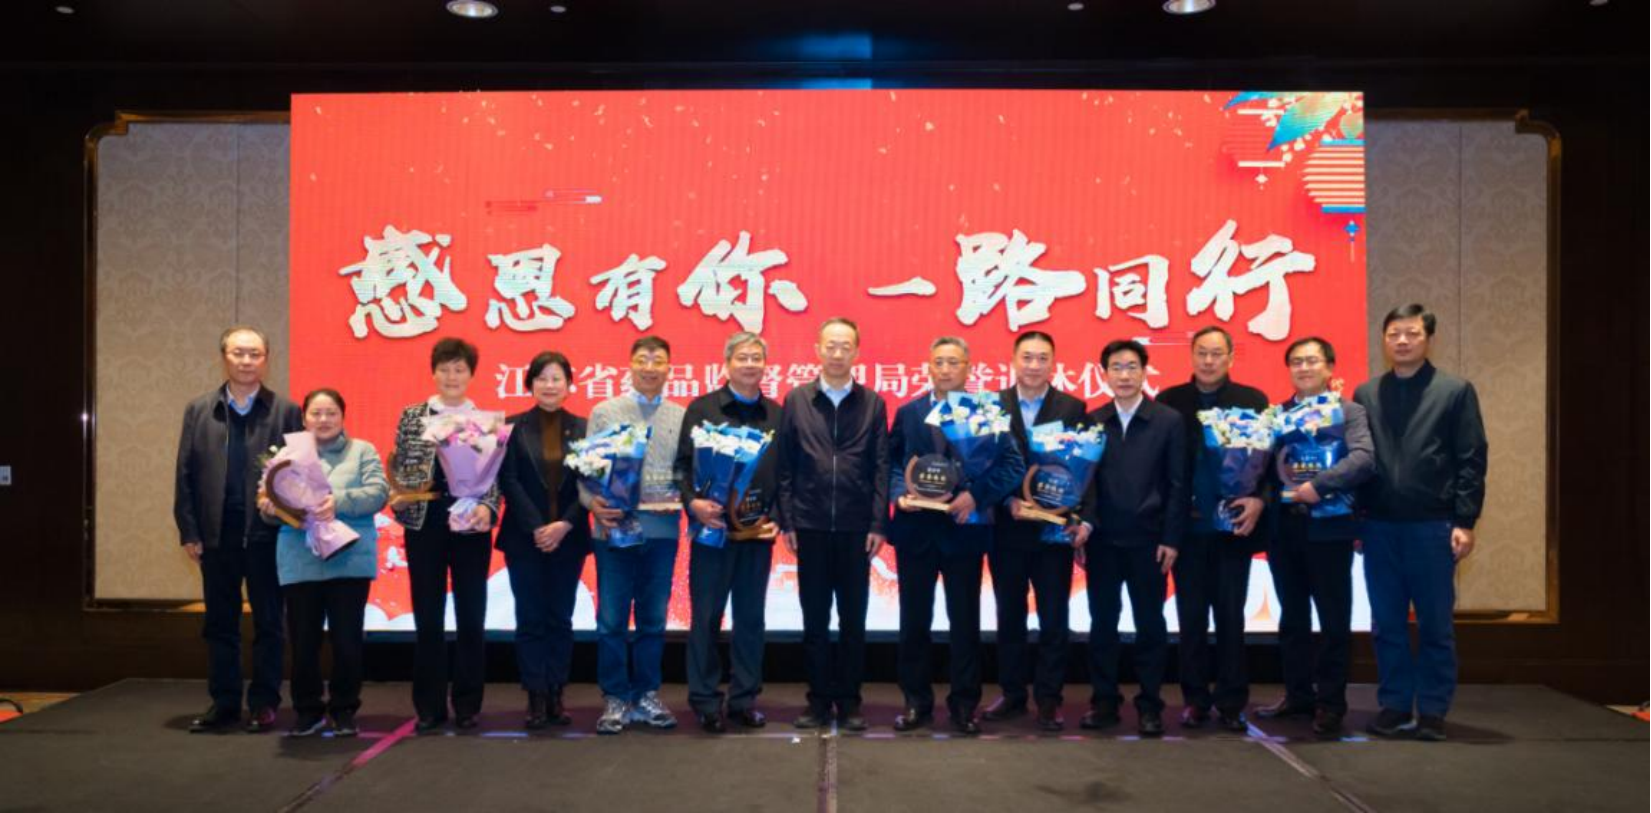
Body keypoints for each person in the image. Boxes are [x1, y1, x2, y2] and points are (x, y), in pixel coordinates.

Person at [1355, 304, 1488, 742]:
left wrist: (1465, 520)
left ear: (1428, 338)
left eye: (1412, 333)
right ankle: (1395, 705)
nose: (1402, 341)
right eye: (1394, 333)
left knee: (1434, 624)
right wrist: (1357, 519)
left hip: (1433, 525)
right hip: (1378, 526)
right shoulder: (1367, 393)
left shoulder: (1454, 391)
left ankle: (1432, 710)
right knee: (1387, 623)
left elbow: (1471, 458)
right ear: (1384, 339)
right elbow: (1359, 461)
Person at [888, 336, 1026, 735]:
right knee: (914, 622)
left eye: (954, 362)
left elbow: (1012, 465)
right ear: (928, 367)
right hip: (916, 531)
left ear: (968, 368)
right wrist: (899, 494)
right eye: (939, 362)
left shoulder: (987, 411)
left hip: (965, 531)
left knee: (965, 624)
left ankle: (964, 705)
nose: (946, 369)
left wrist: (975, 496)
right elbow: (892, 463)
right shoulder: (909, 412)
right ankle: (916, 703)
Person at [175, 326, 303, 733]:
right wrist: (189, 530)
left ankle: (264, 703)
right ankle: (225, 702)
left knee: (269, 622)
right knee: (219, 624)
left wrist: (286, 512)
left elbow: (301, 474)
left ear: (266, 360)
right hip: (216, 534)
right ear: (224, 357)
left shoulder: (286, 411)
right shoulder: (200, 410)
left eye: (254, 354)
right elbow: (185, 474)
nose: (246, 361)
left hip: (268, 534)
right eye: (238, 353)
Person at [1254, 337, 1374, 738]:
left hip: (1330, 527)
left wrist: (1318, 486)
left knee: (1334, 619)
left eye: (1311, 361)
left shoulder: (1349, 411)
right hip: (1284, 528)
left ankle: (1331, 703)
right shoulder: (1276, 415)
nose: (1304, 368)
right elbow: (1262, 468)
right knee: (1292, 618)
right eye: (1296, 362)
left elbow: (1364, 458)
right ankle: (1298, 694)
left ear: (1330, 367)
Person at [775, 318, 890, 732]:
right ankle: (819, 701)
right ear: (818, 349)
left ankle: (851, 701)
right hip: (810, 524)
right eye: (831, 345)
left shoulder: (872, 402)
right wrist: (787, 520)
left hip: (858, 529)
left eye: (845, 346)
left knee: (853, 621)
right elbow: (785, 466)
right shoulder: (797, 400)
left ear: (856, 351)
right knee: (815, 620)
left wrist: (878, 524)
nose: (838, 353)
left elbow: (881, 467)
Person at [1156, 326, 1270, 731]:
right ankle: (1195, 700)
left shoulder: (1252, 401)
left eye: (1217, 353)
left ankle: (1232, 702)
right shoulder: (1170, 402)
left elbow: (1268, 464)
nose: (1208, 360)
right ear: (1191, 355)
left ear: (1231, 357)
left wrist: (1260, 499)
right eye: (1202, 352)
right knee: (1190, 619)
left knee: (1231, 618)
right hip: (1186, 532)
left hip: (1232, 530)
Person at [260, 388, 388, 737]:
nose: (323, 419)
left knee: (347, 642)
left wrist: (337, 501)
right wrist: (271, 508)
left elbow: (378, 493)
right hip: (300, 559)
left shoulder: (362, 451)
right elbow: (269, 511)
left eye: (331, 413)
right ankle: (307, 710)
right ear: (304, 418)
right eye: (316, 413)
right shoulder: (284, 456)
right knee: (304, 643)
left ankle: (344, 709)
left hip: (349, 559)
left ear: (343, 417)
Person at [675, 331, 785, 733]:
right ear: (727, 363)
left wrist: (778, 516)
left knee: (750, 619)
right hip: (713, 532)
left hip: (756, 536)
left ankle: (743, 700)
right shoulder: (702, 409)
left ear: (765, 365)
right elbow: (682, 466)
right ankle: (705, 701)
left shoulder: (777, 415)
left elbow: (786, 474)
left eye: (757, 357)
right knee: (706, 617)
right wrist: (694, 504)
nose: (750, 364)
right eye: (742, 357)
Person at [389, 337, 500, 734]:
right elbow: (399, 465)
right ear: (433, 372)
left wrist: (488, 508)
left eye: (459, 369)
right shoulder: (412, 415)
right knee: (428, 615)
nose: (452, 376)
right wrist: (401, 494)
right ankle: (429, 706)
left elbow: (494, 478)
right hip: (425, 521)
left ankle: (468, 704)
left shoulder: (485, 420)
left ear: (471, 374)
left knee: (471, 614)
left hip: (470, 522)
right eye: (445, 369)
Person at [1076, 339, 1186, 738]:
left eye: (1132, 367)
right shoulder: (1092, 421)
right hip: (1103, 540)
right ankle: (1104, 702)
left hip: (1149, 541)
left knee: (1150, 625)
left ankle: (1150, 705)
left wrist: (1171, 538)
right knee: (1102, 624)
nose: (1124, 375)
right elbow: (1085, 484)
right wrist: (1084, 527)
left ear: (1144, 371)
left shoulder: (1168, 421)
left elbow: (1177, 484)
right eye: (1116, 368)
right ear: (1104, 374)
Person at [582, 336, 687, 734]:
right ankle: (614, 697)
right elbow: (587, 472)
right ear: (630, 365)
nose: (650, 367)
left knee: (653, 618)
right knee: (611, 619)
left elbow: (687, 472)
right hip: (612, 529)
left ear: (669, 368)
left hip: (661, 532)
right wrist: (593, 504)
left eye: (658, 360)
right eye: (643, 359)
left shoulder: (681, 415)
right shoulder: (605, 412)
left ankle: (646, 695)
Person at [984, 330, 1088, 731]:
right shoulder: (992, 405)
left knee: (1054, 616)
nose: (1033, 365)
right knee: (1009, 615)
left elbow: (1081, 467)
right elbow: (984, 464)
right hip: (1008, 528)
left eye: (1042, 358)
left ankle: (1049, 699)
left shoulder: (1072, 407)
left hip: (1052, 532)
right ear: (1013, 360)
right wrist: (1006, 499)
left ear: (1053, 363)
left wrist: (1071, 513)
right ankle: (1012, 693)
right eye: (1027, 357)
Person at [497, 351, 592, 731]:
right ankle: (535, 694)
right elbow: (508, 480)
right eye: (542, 378)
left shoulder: (585, 429)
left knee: (560, 618)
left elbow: (590, 482)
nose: (549, 385)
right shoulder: (510, 427)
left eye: (557, 378)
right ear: (530, 384)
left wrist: (564, 524)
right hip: (524, 539)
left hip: (569, 537)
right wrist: (538, 526)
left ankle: (556, 692)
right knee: (530, 617)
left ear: (569, 385)